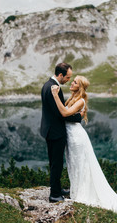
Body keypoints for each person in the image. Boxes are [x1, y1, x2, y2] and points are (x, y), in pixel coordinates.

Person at [51, 75, 117, 223]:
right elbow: (65, 114)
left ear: (80, 87)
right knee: (73, 164)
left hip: (77, 138)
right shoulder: (72, 99)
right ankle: (76, 190)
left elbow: (64, 113)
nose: (72, 83)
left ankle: (82, 194)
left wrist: (55, 95)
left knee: (80, 165)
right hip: (70, 137)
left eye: (75, 82)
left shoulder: (80, 101)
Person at [40, 62, 82, 203]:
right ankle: (54, 195)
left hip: (49, 130)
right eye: (67, 77)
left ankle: (57, 189)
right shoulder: (54, 88)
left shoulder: (47, 84)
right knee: (56, 163)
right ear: (60, 75)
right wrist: (78, 116)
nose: (68, 80)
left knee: (55, 162)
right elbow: (60, 113)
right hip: (55, 132)